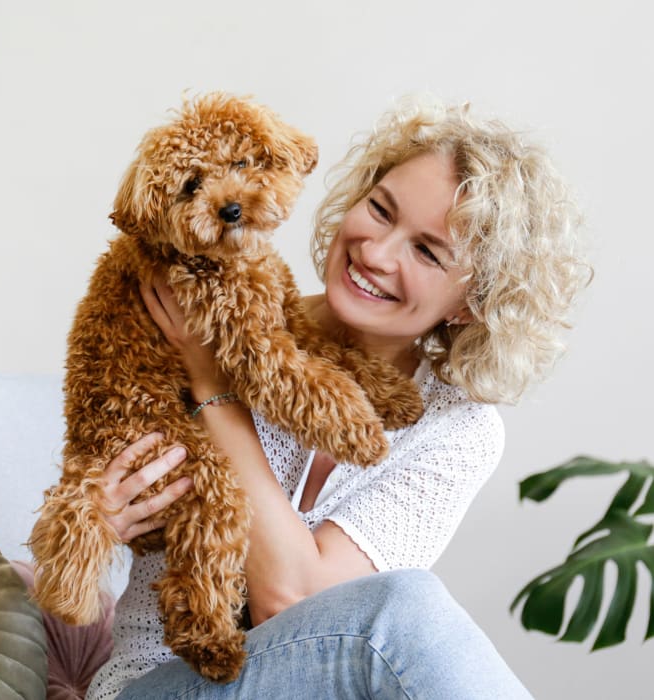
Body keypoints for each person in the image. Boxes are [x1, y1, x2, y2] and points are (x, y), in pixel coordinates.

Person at [84, 97, 590, 699]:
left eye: (427, 251)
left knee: (401, 608)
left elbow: (304, 602)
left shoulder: (457, 430)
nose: (375, 252)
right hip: (159, 684)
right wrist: (103, 509)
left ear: (472, 303)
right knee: (403, 606)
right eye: (379, 210)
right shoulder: (216, 326)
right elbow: (297, 608)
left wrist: (211, 387)